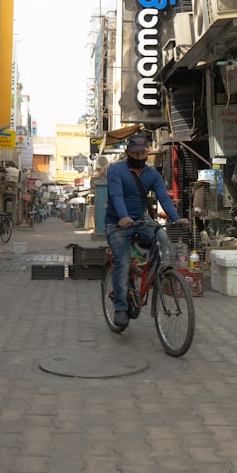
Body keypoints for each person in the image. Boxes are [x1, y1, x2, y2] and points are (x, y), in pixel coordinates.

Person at [104, 133, 189, 329]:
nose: (139, 156)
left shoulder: (153, 174)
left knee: (161, 236)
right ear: (128, 152)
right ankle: (120, 307)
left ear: (147, 154)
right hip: (117, 224)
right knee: (123, 262)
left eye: (143, 152)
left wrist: (176, 218)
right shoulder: (116, 170)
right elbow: (116, 196)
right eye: (135, 152)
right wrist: (123, 217)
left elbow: (163, 198)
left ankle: (154, 275)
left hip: (141, 221)